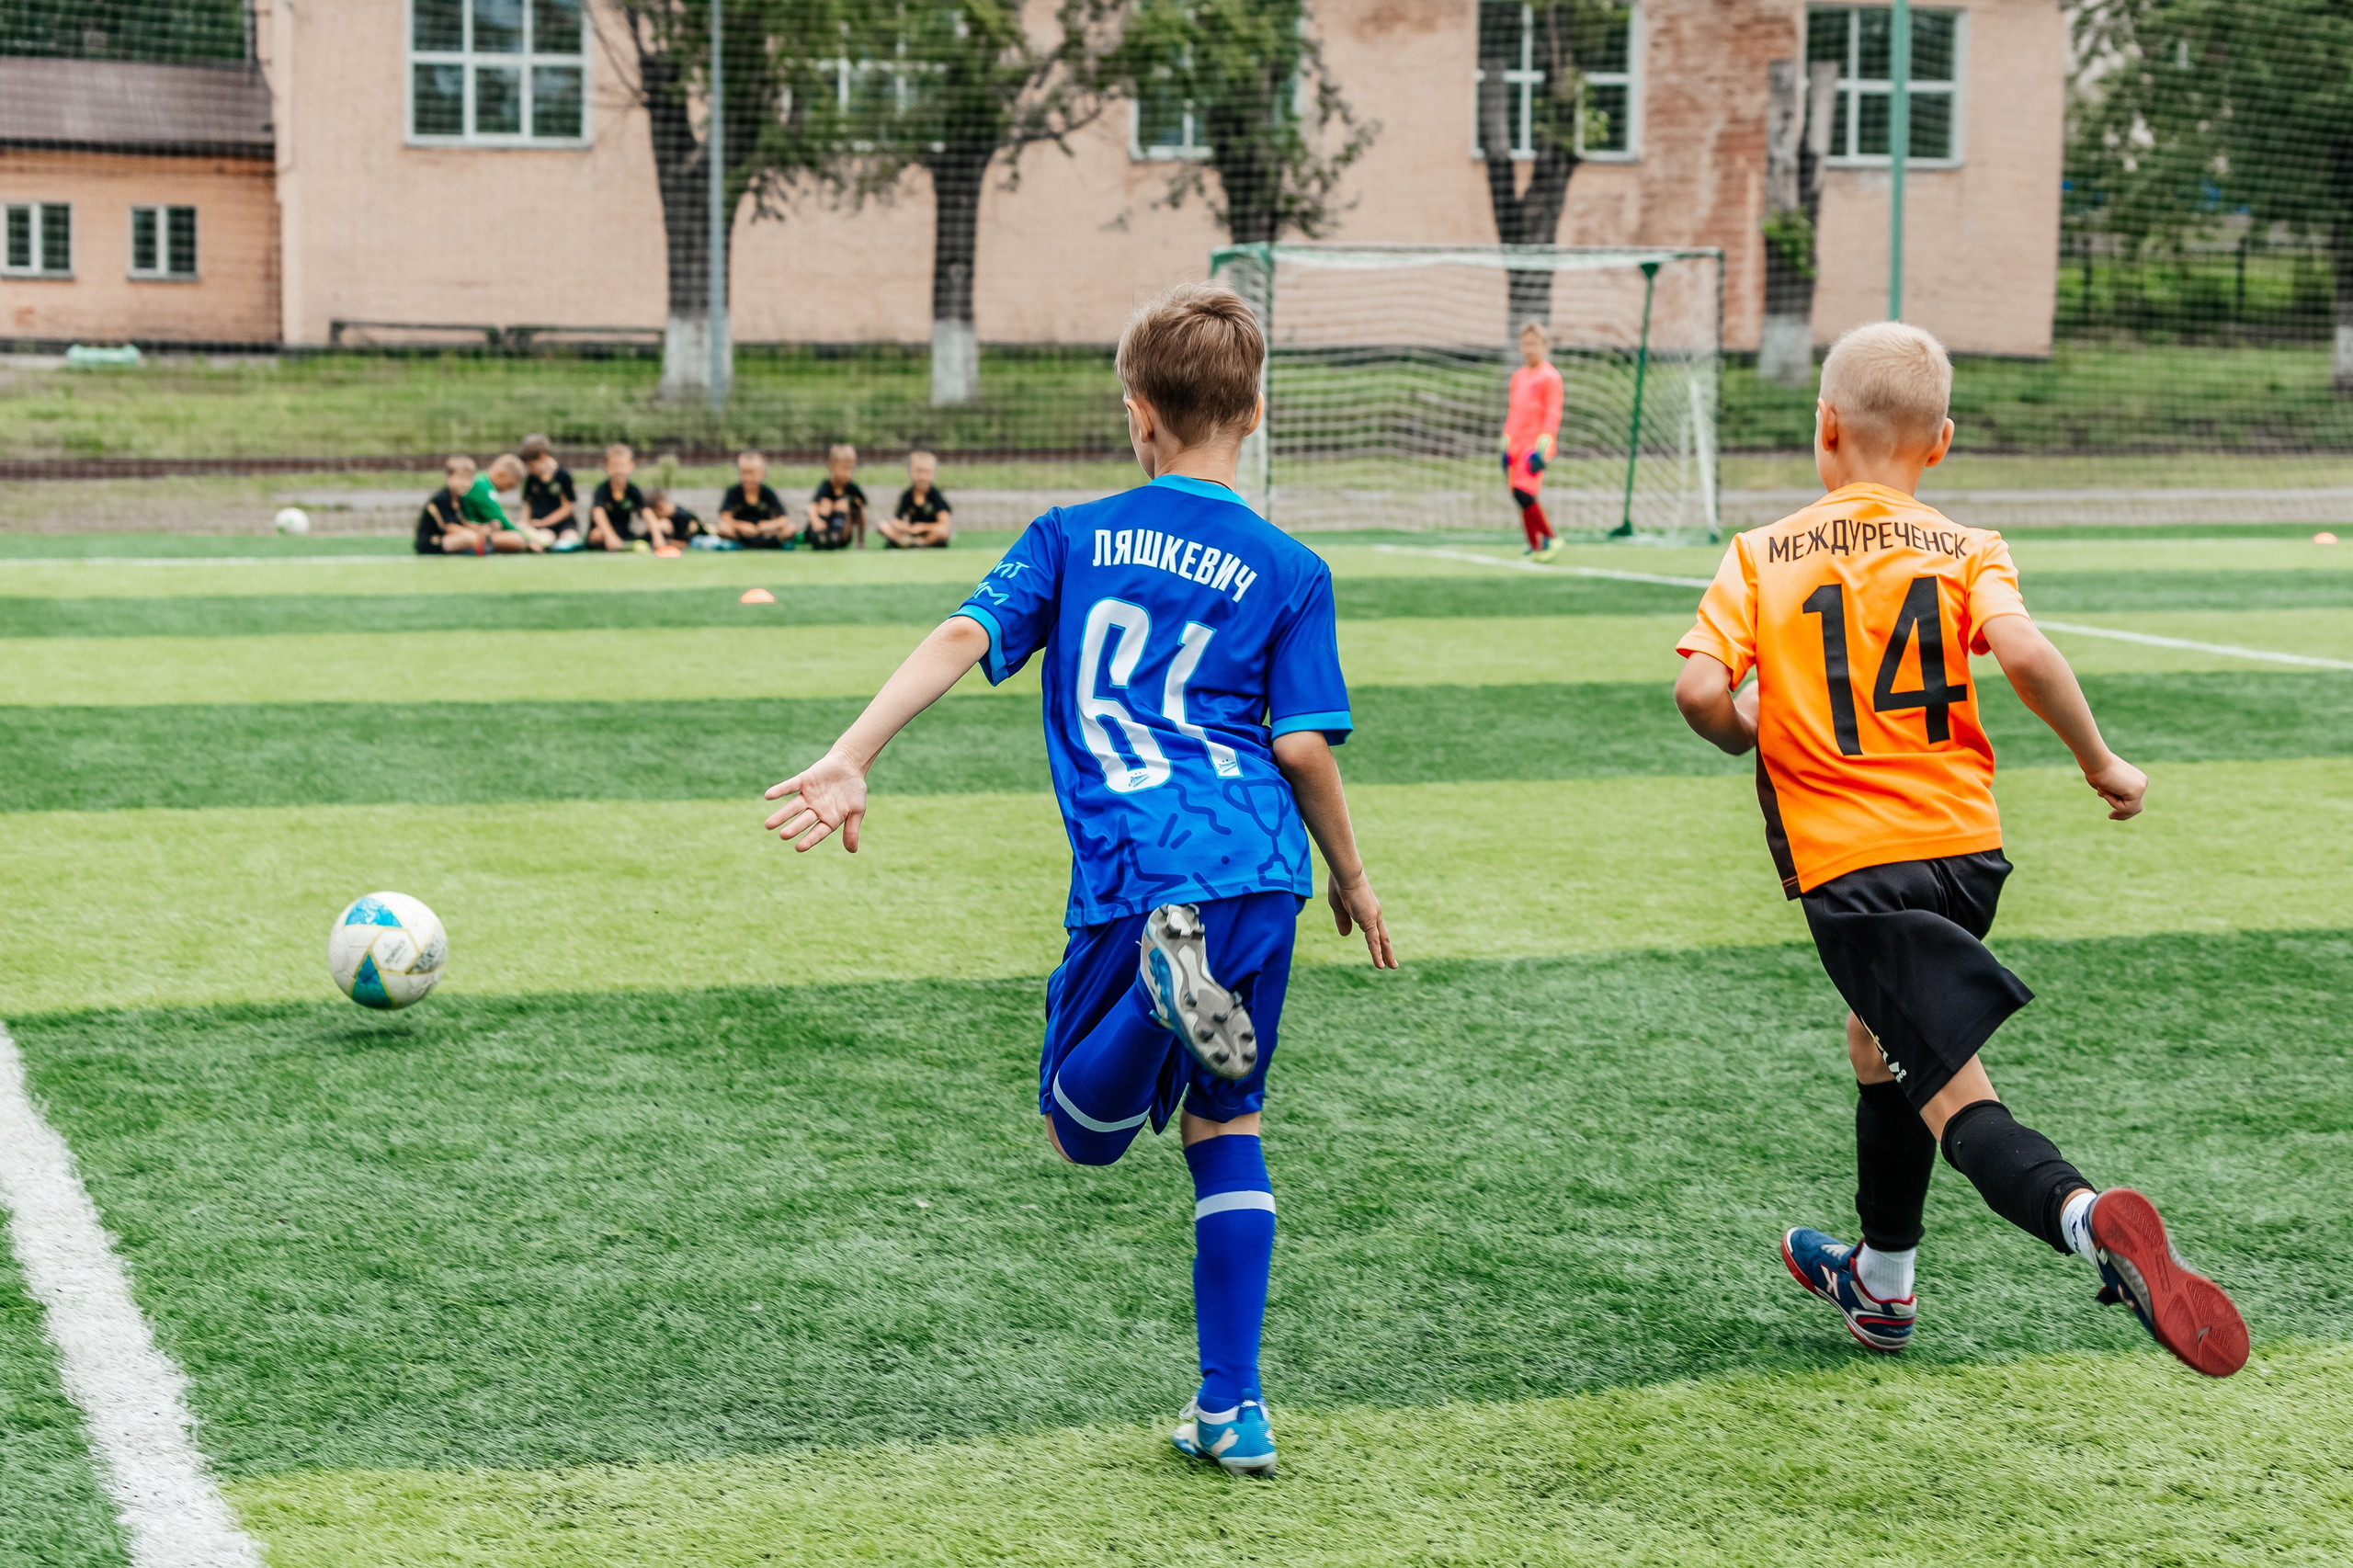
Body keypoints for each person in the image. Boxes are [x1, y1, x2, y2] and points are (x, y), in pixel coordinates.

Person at [763, 282, 1398, 1476]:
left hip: (1137, 865)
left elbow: (965, 633)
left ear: (1137, 413)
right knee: (1229, 1121)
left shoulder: (1074, 533)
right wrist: (1350, 877)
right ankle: (1234, 1405)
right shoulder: (1291, 564)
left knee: (1080, 1131)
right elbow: (1305, 741)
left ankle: (1160, 994)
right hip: (1258, 866)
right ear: (1253, 413)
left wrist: (853, 753)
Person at [1672, 321, 2247, 1380]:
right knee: (1874, 1035)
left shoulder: (1760, 553)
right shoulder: (1967, 544)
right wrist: (2100, 760)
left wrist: (1755, 731)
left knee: (1954, 1095)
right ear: (1940, 444)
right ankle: (1882, 1285)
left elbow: (1700, 690)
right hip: (1965, 855)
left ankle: (2083, 1216)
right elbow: (2021, 649)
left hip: (1854, 868)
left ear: (1823, 427)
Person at [1501, 320, 1563, 558]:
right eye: (1525, 344)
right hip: (1516, 445)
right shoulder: (1519, 377)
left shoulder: (1550, 377)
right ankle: (1535, 545)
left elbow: (1552, 413)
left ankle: (1551, 537)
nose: (1529, 348)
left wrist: (1544, 448)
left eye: (1534, 344)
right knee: (1518, 495)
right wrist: (1505, 444)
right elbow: (1513, 412)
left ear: (1544, 346)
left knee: (1523, 492)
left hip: (1534, 446)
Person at [415, 455, 529, 554]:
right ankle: (477, 549)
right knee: (470, 538)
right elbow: (450, 527)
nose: (464, 483)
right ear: (448, 477)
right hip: (433, 541)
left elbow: (464, 522)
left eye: (468, 479)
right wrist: (476, 533)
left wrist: (483, 528)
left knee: (472, 536)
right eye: (460, 478)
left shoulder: (459, 498)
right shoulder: (443, 498)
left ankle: (474, 548)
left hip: (449, 537)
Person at [715, 450, 793, 548]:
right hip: (741, 533)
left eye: (751, 473)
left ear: (762, 473)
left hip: (764, 533)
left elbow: (783, 519)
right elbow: (725, 517)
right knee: (723, 528)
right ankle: (737, 545)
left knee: (790, 528)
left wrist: (769, 525)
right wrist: (741, 526)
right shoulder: (734, 492)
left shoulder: (767, 492)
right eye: (744, 473)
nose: (747, 478)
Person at [518, 433, 582, 551]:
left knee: (570, 539)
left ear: (543, 457)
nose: (530, 470)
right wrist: (524, 523)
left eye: (532, 466)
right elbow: (528, 504)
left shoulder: (563, 476)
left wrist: (544, 522)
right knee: (543, 539)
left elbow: (568, 508)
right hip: (540, 526)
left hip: (564, 524)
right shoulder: (532, 479)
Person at [880, 450, 954, 548]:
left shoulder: (936, 495)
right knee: (883, 526)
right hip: (911, 533)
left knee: (943, 532)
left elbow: (944, 524)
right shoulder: (907, 495)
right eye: (918, 471)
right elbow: (896, 520)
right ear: (911, 472)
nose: (922, 476)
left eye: (926, 472)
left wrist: (923, 527)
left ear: (933, 474)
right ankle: (912, 543)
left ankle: (921, 543)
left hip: (929, 533)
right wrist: (904, 526)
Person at [588, 443, 650, 552]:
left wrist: (657, 536)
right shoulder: (602, 489)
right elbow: (598, 513)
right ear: (607, 467)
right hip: (603, 532)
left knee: (661, 526)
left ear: (631, 466)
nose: (619, 470)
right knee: (597, 534)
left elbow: (646, 512)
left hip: (624, 533)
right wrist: (610, 536)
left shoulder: (633, 490)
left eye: (622, 465)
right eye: (615, 465)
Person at [805, 443, 866, 550]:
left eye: (851, 469)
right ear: (831, 466)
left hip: (843, 533)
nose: (848, 473)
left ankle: (835, 536)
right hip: (822, 527)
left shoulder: (853, 489)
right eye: (844, 468)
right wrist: (816, 521)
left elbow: (861, 514)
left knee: (843, 504)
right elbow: (812, 507)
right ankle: (820, 536)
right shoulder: (825, 486)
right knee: (826, 503)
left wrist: (861, 540)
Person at [644, 488, 704, 552]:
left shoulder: (681, 516)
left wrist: (665, 541)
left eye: (654, 515)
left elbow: (684, 543)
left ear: (660, 506)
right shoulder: (671, 516)